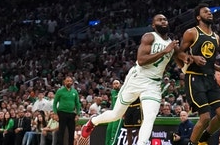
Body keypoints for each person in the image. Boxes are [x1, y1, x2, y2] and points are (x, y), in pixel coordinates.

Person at [80, 14, 190, 145]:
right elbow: (141, 60)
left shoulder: (171, 44)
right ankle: (93, 122)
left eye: (165, 19)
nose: (164, 21)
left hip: (153, 84)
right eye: (160, 20)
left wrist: (192, 60)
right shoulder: (149, 37)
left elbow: (183, 59)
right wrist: (164, 52)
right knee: (116, 114)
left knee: (149, 117)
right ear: (153, 25)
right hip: (137, 78)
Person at [181, 4, 220, 145]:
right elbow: (178, 52)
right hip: (194, 77)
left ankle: (205, 137)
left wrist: (218, 68)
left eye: (210, 12)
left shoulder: (216, 37)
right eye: (205, 12)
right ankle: (192, 143)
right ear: (198, 17)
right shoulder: (191, 33)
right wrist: (193, 57)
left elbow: (208, 61)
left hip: (209, 78)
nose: (210, 13)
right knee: (205, 117)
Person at [53, 77, 80, 145]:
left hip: (71, 113)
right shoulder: (60, 91)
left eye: (70, 81)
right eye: (67, 81)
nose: (69, 82)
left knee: (71, 132)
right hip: (62, 113)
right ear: (64, 82)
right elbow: (55, 103)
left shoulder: (74, 91)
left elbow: (77, 103)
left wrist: (78, 114)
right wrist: (55, 113)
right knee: (61, 132)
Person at [104, 80, 122, 145]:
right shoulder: (113, 92)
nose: (115, 85)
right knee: (108, 130)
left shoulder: (122, 92)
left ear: (120, 85)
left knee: (114, 132)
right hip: (112, 113)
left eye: (117, 83)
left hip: (119, 114)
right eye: (114, 84)